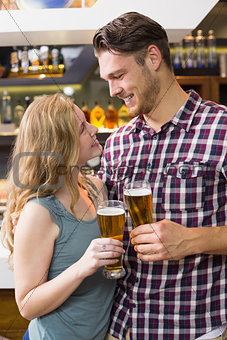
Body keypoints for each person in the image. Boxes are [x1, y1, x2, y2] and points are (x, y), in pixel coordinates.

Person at [93, 11, 227, 340]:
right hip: (123, 328)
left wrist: (195, 240)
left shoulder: (221, 128)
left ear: (153, 57)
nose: (112, 90)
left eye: (119, 75)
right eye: (107, 79)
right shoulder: (117, 143)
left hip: (197, 330)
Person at [1, 93, 125, 340]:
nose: (94, 128)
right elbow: (26, 305)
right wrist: (82, 267)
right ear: (61, 146)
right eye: (82, 128)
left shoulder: (96, 188)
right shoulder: (40, 211)